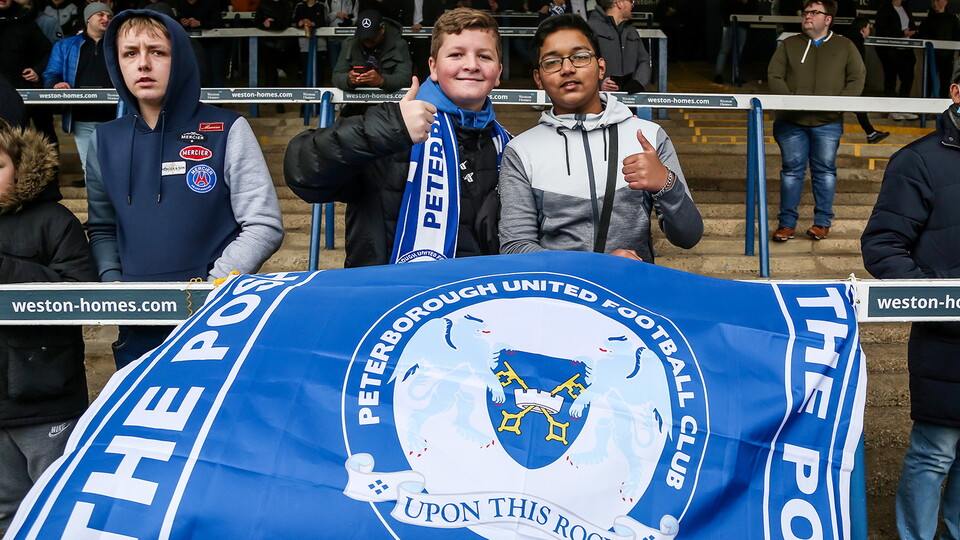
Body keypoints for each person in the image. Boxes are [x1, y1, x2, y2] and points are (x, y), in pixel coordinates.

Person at [86, 10, 284, 368]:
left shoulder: (227, 128)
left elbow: (263, 224)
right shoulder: (103, 141)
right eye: (130, 53)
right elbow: (101, 228)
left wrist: (212, 288)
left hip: (215, 318)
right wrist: (116, 288)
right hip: (138, 322)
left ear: (181, 59)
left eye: (157, 52)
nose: (143, 64)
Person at [284, 7, 511, 267]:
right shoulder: (390, 128)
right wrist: (390, 128)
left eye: (484, 56)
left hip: (473, 299)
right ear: (433, 67)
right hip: (389, 299)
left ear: (499, 73)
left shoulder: (508, 146)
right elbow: (302, 173)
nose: (471, 65)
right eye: (456, 54)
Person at [498, 14, 702, 261]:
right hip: (556, 296)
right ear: (538, 79)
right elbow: (515, 247)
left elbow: (689, 236)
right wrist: (596, 266)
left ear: (601, 67)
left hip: (629, 293)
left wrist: (666, 184)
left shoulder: (648, 136)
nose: (567, 68)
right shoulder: (521, 150)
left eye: (580, 57)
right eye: (552, 62)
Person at [860, 60, 960, 540]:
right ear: (957, 92)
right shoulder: (918, 160)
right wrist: (940, 298)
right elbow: (882, 246)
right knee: (934, 452)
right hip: (946, 339)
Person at [0, 119, 98, 535]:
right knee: (5, 512)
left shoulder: (54, 220)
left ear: (20, 166)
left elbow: (81, 293)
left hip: (46, 398)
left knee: (55, 508)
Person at [767, 0, 864, 242]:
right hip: (791, 122)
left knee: (825, 172)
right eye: (806, 12)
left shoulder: (845, 46)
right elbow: (774, 75)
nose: (807, 16)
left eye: (814, 12)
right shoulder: (788, 44)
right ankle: (787, 224)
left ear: (828, 19)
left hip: (828, 123)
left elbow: (857, 77)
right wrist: (791, 102)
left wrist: (838, 105)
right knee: (791, 172)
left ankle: (822, 223)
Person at [42, 2, 115, 177]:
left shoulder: (120, 44)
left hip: (115, 116)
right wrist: (55, 84)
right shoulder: (65, 45)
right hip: (82, 116)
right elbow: (51, 73)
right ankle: (97, 205)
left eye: (109, 16)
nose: (106, 19)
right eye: (101, 15)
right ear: (88, 19)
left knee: (115, 166)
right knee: (89, 167)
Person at [331, 8, 413, 117]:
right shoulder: (349, 44)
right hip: (356, 106)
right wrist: (349, 79)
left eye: (372, 37)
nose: (367, 41)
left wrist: (382, 81)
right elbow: (336, 76)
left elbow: (405, 77)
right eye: (364, 38)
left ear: (382, 29)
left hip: (389, 107)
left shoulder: (398, 45)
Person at [843, 16, 891, 144]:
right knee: (857, 106)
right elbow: (856, 66)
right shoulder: (856, 42)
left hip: (844, 80)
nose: (870, 31)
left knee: (859, 107)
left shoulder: (848, 40)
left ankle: (871, 133)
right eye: (869, 28)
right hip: (848, 81)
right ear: (863, 29)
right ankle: (871, 133)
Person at [587, 0, 651, 93]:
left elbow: (644, 61)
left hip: (629, 101)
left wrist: (638, 82)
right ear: (619, 3)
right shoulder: (590, 28)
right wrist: (600, 83)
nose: (633, 5)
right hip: (600, 101)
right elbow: (581, 63)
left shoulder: (631, 30)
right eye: (631, 1)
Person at [875, 0, 919, 119]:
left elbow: (911, 24)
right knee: (891, 78)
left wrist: (912, 32)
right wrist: (901, 33)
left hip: (907, 48)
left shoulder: (906, 6)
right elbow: (881, 29)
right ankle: (892, 110)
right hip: (890, 50)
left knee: (908, 78)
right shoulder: (884, 8)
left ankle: (903, 108)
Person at [918, 0, 960, 99]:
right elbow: (922, 36)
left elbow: (957, 36)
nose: (935, 4)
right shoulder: (927, 20)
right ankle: (925, 108)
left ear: (945, 2)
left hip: (947, 56)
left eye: (938, 1)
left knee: (946, 82)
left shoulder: (952, 19)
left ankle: (942, 108)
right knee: (928, 82)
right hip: (931, 57)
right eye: (933, 1)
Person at [712, 0, 758, 85]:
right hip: (729, 24)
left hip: (743, 24)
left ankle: (736, 75)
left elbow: (754, 8)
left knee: (738, 52)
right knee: (724, 50)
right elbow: (722, 6)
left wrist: (746, 3)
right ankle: (718, 74)